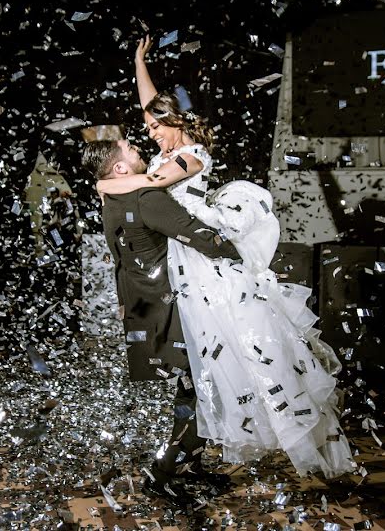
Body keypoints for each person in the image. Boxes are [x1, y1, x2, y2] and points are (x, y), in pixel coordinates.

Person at [94, 35, 355, 478]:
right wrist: (139, 61)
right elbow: (149, 106)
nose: (151, 132)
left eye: (157, 127)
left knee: (236, 353)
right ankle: (188, 449)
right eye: (150, 129)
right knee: (204, 365)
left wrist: (103, 184)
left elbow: (148, 185)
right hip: (184, 262)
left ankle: (202, 449)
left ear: (176, 124)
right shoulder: (166, 147)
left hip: (205, 266)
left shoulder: (190, 156)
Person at [81, 138, 241, 503]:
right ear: (120, 169)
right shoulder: (144, 198)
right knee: (208, 389)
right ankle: (163, 472)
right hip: (171, 312)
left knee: (191, 388)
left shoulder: (112, 200)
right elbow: (202, 238)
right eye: (133, 154)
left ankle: (191, 464)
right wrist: (248, 256)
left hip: (147, 309)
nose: (143, 154)